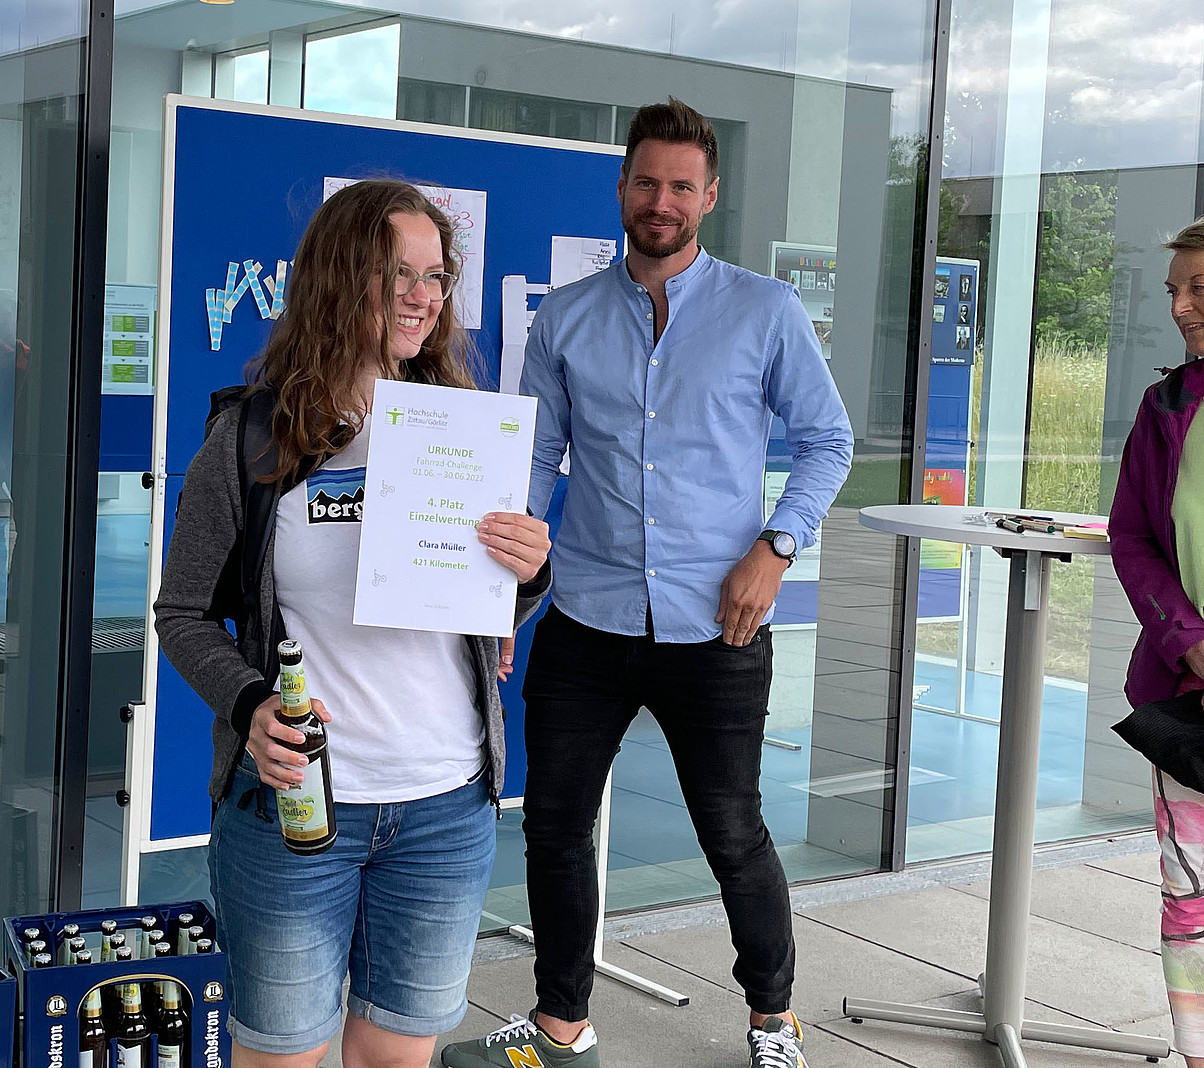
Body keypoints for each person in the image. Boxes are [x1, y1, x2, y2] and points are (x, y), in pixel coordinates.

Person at [443, 98, 852, 1068]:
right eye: (645, 181)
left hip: (719, 623)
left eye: (680, 185)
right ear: (621, 188)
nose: (660, 200)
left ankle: (772, 1018)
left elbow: (829, 441)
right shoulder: (566, 318)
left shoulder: (765, 311)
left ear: (708, 197)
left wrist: (776, 546)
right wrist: (497, 601)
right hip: (585, 618)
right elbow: (532, 463)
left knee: (732, 832)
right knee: (553, 826)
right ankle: (561, 1025)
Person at [154, 179, 553, 1068]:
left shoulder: (463, 429)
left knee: (395, 1056)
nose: (423, 296)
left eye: (436, 276)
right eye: (396, 273)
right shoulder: (252, 438)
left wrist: (531, 572)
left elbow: (490, 602)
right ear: (338, 278)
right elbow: (182, 614)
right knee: (284, 1054)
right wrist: (250, 703)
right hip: (299, 805)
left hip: (445, 802)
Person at [1108, 214, 1204, 1068]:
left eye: (1199, 287)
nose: (1179, 307)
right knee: (1191, 891)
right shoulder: (1167, 406)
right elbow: (1133, 535)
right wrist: (1188, 640)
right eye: (1174, 290)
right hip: (1190, 695)